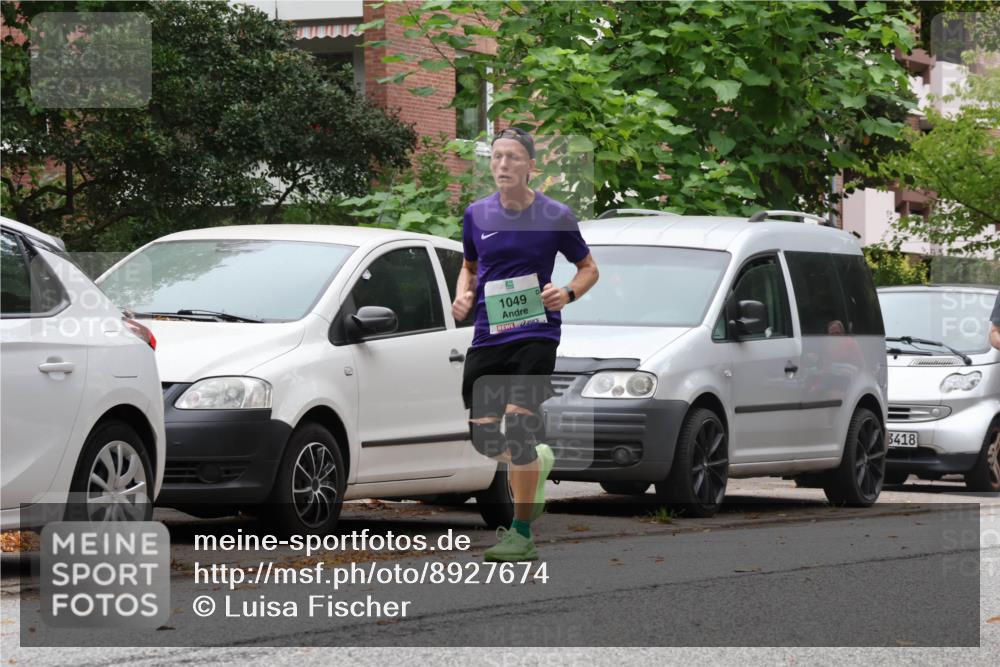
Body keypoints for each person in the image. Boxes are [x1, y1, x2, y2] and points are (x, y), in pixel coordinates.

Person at [452, 127, 599, 562]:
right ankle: (538, 458)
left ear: (531, 165)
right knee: (484, 437)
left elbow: (589, 268)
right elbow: (469, 266)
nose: (502, 164)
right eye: (497, 156)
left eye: (513, 157)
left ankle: (521, 534)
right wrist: (463, 294)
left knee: (517, 428)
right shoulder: (476, 214)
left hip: (536, 333)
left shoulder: (555, 215)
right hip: (488, 336)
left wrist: (567, 293)